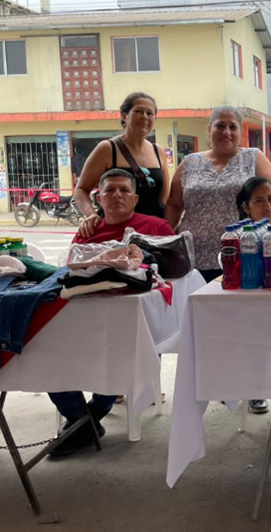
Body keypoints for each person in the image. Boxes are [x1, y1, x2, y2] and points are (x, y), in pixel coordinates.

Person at [50, 168, 174, 457]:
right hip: (81, 320)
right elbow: (71, 274)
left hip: (128, 324)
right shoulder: (87, 233)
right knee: (44, 350)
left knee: (120, 350)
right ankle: (82, 419)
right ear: (99, 198)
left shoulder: (156, 228)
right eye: (109, 190)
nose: (117, 195)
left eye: (124, 190)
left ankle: (88, 419)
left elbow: (171, 274)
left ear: (135, 199)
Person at [165, 106, 271, 284]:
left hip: (243, 257)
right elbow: (174, 205)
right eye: (220, 126)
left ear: (240, 131)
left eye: (233, 127)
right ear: (209, 129)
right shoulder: (189, 163)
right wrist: (166, 242)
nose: (226, 132)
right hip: (192, 260)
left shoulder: (254, 159)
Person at [74, 93, 170, 241]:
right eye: (138, 111)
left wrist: (168, 229)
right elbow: (81, 189)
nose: (144, 117)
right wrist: (91, 215)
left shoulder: (158, 151)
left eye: (150, 113)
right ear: (125, 116)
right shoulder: (107, 149)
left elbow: (164, 199)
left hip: (152, 233)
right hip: (117, 234)